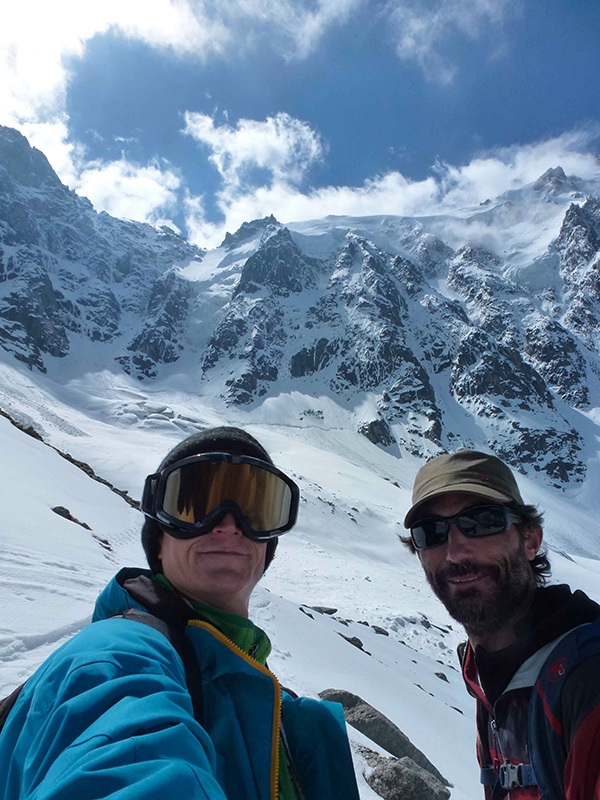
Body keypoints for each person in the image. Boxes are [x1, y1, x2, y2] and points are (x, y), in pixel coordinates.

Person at [0, 426, 360, 800]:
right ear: (158, 541)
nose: (229, 524)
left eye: (255, 508)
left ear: (268, 547)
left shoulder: (275, 710)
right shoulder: (118, 655)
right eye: (196, 503)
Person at [401, 449, 600, 800]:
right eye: (430, 532)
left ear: (530, 541)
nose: (455, 552)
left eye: (482, 522)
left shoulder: (586, 678)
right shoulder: (486, 673)